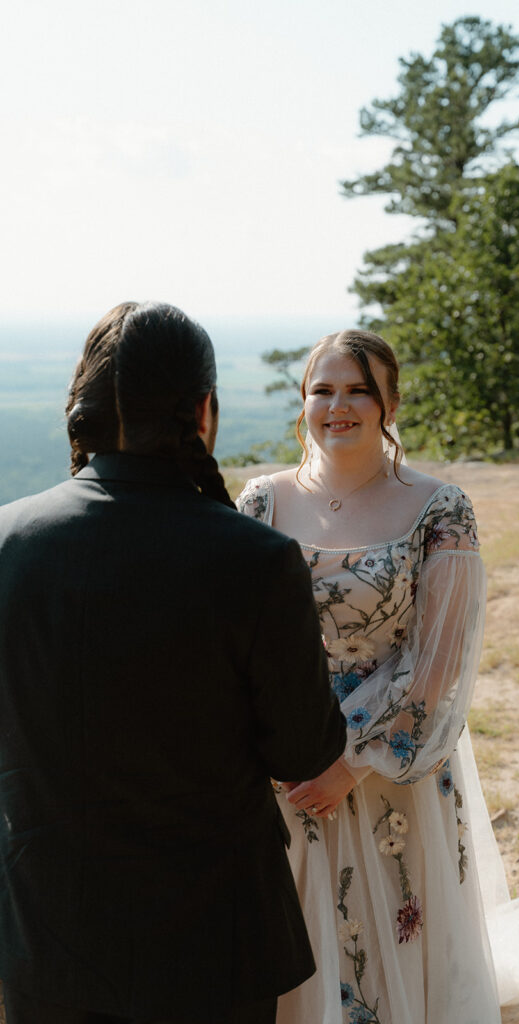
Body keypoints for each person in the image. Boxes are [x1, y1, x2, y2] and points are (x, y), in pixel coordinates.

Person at [0, 302, 347, 1024]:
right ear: (203, 409)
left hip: (43, 925)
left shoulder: (8, 540)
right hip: (210, 936)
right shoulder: (255, 558)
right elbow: (302, 750)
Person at [237, 329, 519, 1024]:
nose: (339, 405)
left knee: (389, 917)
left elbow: (439, 658)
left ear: (390, 402)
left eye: (358, 389)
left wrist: (347, 762)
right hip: (285, 753)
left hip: (387, 754)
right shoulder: (259, 504)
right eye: (322, 390)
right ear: (303, 403)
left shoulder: (437, 507)